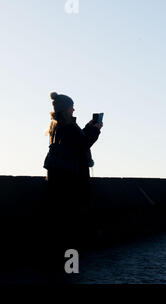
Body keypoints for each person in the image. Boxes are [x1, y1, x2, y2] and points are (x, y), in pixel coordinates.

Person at [44, 91, 103, 278]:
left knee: (63, 225)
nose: (74, 109)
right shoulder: (67, 127)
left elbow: (77, 142)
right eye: (71, 106)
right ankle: (70, 269)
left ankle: (64, 268)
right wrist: (95, 129)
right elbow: (82, 144)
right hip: (71, 181)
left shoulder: (57, 126)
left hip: (60, 180)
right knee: (71, 227)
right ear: (65, 109)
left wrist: (87, 127)